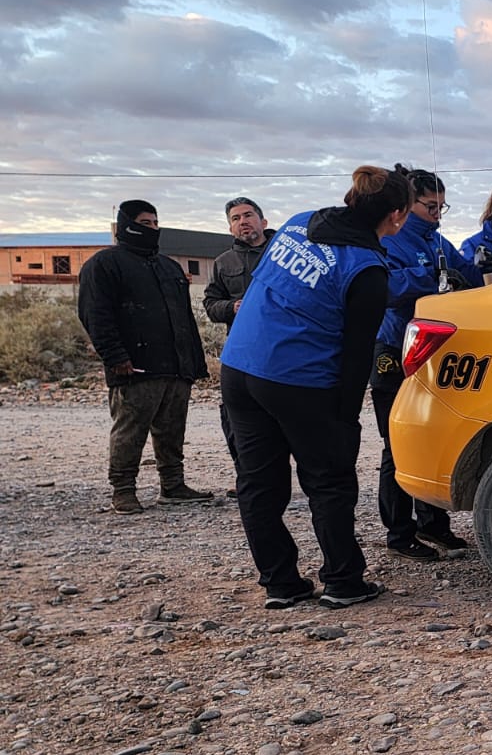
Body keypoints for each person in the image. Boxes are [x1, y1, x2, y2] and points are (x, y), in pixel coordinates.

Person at [219, 166, 410, 609]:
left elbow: (266, 281)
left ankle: (280, 583)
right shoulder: (366, 269)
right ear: (397, 216)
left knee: (258, 481)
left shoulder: (298, 222)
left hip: (240, 366)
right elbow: (356, 353)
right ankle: (343, 580)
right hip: (299, 379)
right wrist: (344, 419)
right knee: (329, 481)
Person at [76, 200, 212, 515]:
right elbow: (96, 316)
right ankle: (123, 491)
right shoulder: (104, 265)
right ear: (126, 224)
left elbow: (184, 318)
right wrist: (115, 357)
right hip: (134, 366)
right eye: (144, 222)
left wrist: (193, 362)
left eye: (154, 222)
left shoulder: (168, 266)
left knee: (172, 429)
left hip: (175, 366)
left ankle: (173, 486)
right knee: (130, 430)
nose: (151, 228)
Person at [374, 167, 481, 561]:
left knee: (433, 435)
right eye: (430, 206)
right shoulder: (391, 239)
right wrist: (429, 276)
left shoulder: (437, 240)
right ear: (408, 204)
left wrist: (479, 267)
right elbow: (385, 286)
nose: (437, 213)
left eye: (442, 206)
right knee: (396, 443)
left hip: (434, 351)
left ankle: (433, 525)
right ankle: (399, 534)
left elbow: (464, 274)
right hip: (393, 348)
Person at [203, 196, 274, 497]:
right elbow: (210, 304)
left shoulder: (281, 254)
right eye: (235, 218)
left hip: (283, 348)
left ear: (263, 221)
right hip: (242, 352)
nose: (242, 221)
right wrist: (232, 307)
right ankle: (248, 476)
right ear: (230, 227)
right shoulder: (223, 263)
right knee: (236, 415)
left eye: (248, 215)